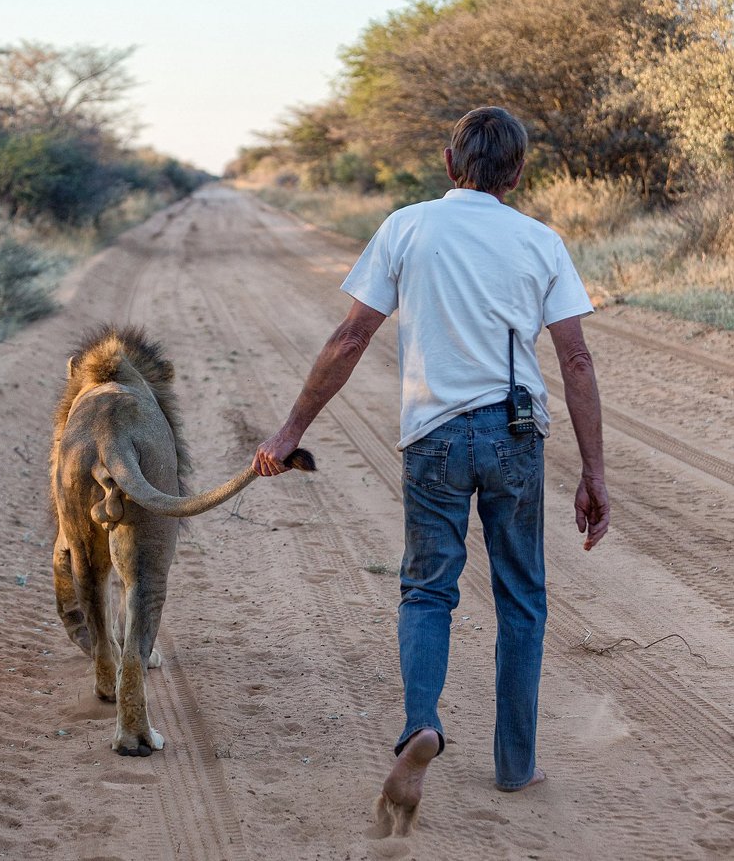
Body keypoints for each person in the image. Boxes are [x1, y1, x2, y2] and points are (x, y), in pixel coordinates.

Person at [252, 106, 609, 834]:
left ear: (450, 163)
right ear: (518, 172)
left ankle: (422, 724)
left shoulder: (407, 226)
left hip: (434, 438)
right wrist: (594, 474)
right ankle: (516, 765)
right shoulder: (541, 241)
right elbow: (575, 358)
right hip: (515, 437)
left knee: (425, 593)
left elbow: (352, 336)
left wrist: (292, 429)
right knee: (522, 600)